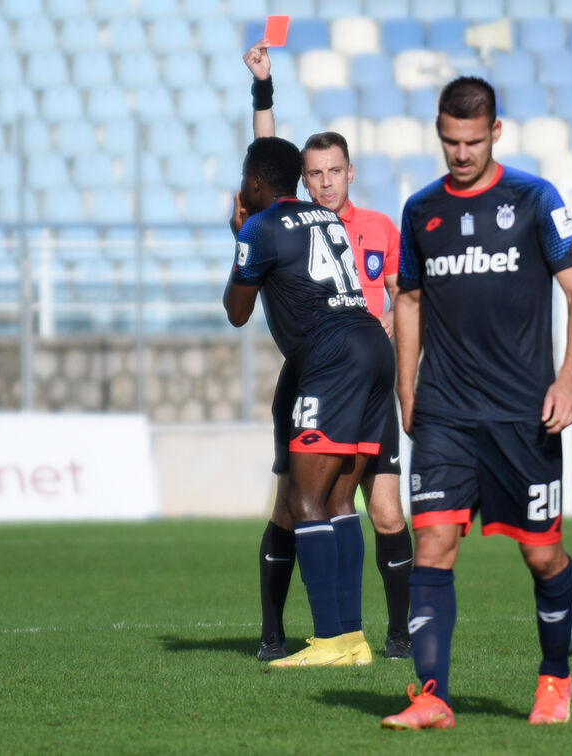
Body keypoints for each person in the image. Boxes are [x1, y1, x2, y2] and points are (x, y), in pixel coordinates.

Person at [380, 77, 572, 730]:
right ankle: (432, 695)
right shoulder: (421, 211)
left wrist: (568, 381)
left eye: (472, 142)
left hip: (523, 415)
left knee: (541, 555)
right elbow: (409, 299)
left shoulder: (533, 199)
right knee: (434, 544)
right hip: (445, 412)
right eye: (450, 141)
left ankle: (556, 679)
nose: (461, 153)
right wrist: (407, 385)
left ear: (495, 133)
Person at [240, 41, 414, 662]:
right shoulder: (296, 221)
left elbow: (406, 297)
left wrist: (395, 322)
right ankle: (276, 631)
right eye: (313, 174)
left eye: (332, 171)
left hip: (360, 372)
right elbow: (269, 161)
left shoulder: (379, 228)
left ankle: (388, 633)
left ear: (349, 173)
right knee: (295, 503)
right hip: (313, 372)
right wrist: (263, 91)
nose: (322, 182)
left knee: (384, 508)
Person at [225, 136, 396, 668]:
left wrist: (239, 237)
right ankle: (354, 640)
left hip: (331, 359)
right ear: (296, 179)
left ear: (255, 184)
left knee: (303, 500)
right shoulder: (325, 218)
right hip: (373, 346)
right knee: (342, 501)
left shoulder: (260, 225)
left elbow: (236, 311)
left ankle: (329, 641)